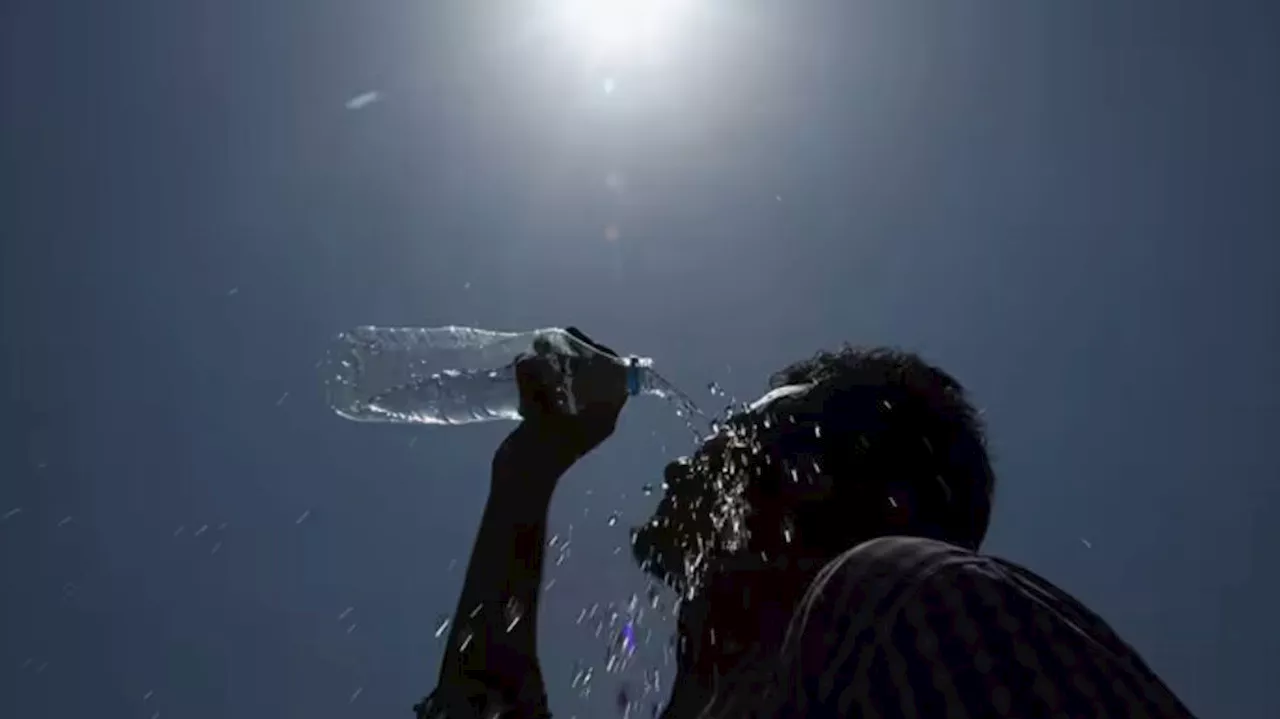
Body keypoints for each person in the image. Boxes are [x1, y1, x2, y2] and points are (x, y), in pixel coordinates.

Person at [416, 329, 1195, 719]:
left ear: (810, 478)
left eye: (737, 438)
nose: (686, 465)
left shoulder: (903, 602)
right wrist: (526, 470)